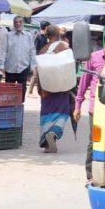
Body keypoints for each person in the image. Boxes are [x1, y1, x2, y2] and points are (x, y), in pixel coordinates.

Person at [74, 29, 105, 181]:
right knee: (94, 141)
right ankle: (90, 174)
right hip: (97, 108)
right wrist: (77, 105)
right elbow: (84, 83)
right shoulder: (94, 58)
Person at [37, 25, 73, 153]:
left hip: (46, 89)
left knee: (47, 114)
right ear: (58, 35)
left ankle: (47, 145)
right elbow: (70, 66)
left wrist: (40, 90)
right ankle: (53, 133)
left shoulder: (42, 51)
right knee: (63, 112)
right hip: (61, 87)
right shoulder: (63, 47)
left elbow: (38, 73)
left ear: (47, 36)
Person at [2, 15, 37, 102]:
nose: (18, 24)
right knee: (9, 93)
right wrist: (1, 66)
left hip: (23, 67)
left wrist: (33, 67)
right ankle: (9, 109)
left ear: (23, 23)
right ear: (13, 24)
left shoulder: (28, 36)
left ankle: (19, 108)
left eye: (20, 22)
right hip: (10, 67)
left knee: (21, 92)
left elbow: (32, 51)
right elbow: (3, 51)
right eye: (16, 22)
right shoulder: (8, 35)